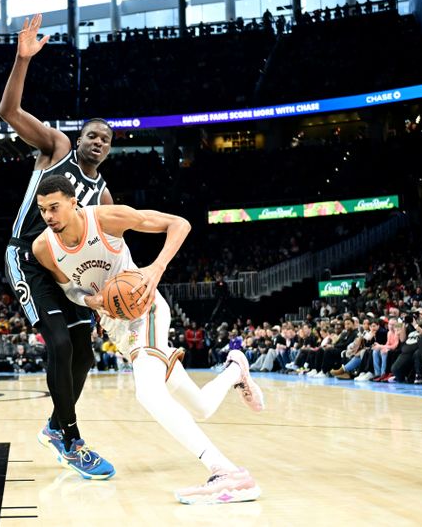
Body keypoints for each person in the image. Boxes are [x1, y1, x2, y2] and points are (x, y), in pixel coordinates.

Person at [32, 175, 263, 502]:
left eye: (54, 207)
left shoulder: (107, 219)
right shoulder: (43, 246)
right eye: (42, 210)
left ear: (74, 203)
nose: (49, 216)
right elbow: (69, 288)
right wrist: (89, 301)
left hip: (146, 311)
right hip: (118, 329)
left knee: (148, 394)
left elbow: (179, 224)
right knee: (201, 406)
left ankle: (226, 472)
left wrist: (155, 268)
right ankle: (234, 370)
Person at [0, 13, 115, 474]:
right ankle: (71, 438)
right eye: (92, 134)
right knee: (61, 347)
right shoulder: (56, 148)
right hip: (26, 259)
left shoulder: (103, 195)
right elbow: (8, 112)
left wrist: (110, 297)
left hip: (67, 275)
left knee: (85, 353)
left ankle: (54, 424)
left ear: (110, 148)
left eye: (105, 139)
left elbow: (109, 253)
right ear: (80, 136)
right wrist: (21, 60)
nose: (97, 141)